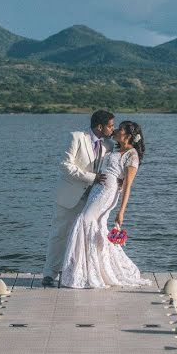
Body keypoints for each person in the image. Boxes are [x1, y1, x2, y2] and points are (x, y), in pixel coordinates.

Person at [59, 121, 152, 289]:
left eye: (120, 129)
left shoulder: (132, 155)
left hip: (107, 194)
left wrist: (121, 212)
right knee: (95, 225)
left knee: (85, 220)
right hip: (97, 190)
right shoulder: (114, 149)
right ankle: (92, 270)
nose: (116, 130)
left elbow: (128, 186)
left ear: (128, 135)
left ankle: (87, 270)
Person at [41, 110, 116, 287]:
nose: (113, 129)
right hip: (70, 196)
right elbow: (65, 165)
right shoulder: (76, 137)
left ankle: (78, 274)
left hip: (93, 200)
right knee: (60, 234)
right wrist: (92, 177)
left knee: (85, 237)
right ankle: (49, 274)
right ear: (100, 126)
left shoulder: (109, 145)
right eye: (110, 125)